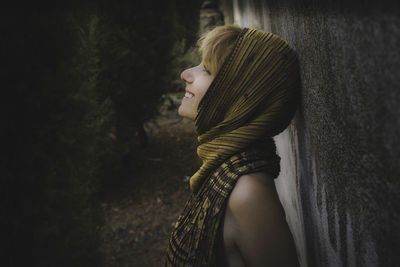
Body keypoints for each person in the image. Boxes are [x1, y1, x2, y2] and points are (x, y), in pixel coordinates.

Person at [165, 25, 300, 267]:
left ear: (236, 96)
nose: (186, 73)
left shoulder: (248, 193)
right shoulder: (223, 166)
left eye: (206, 70)